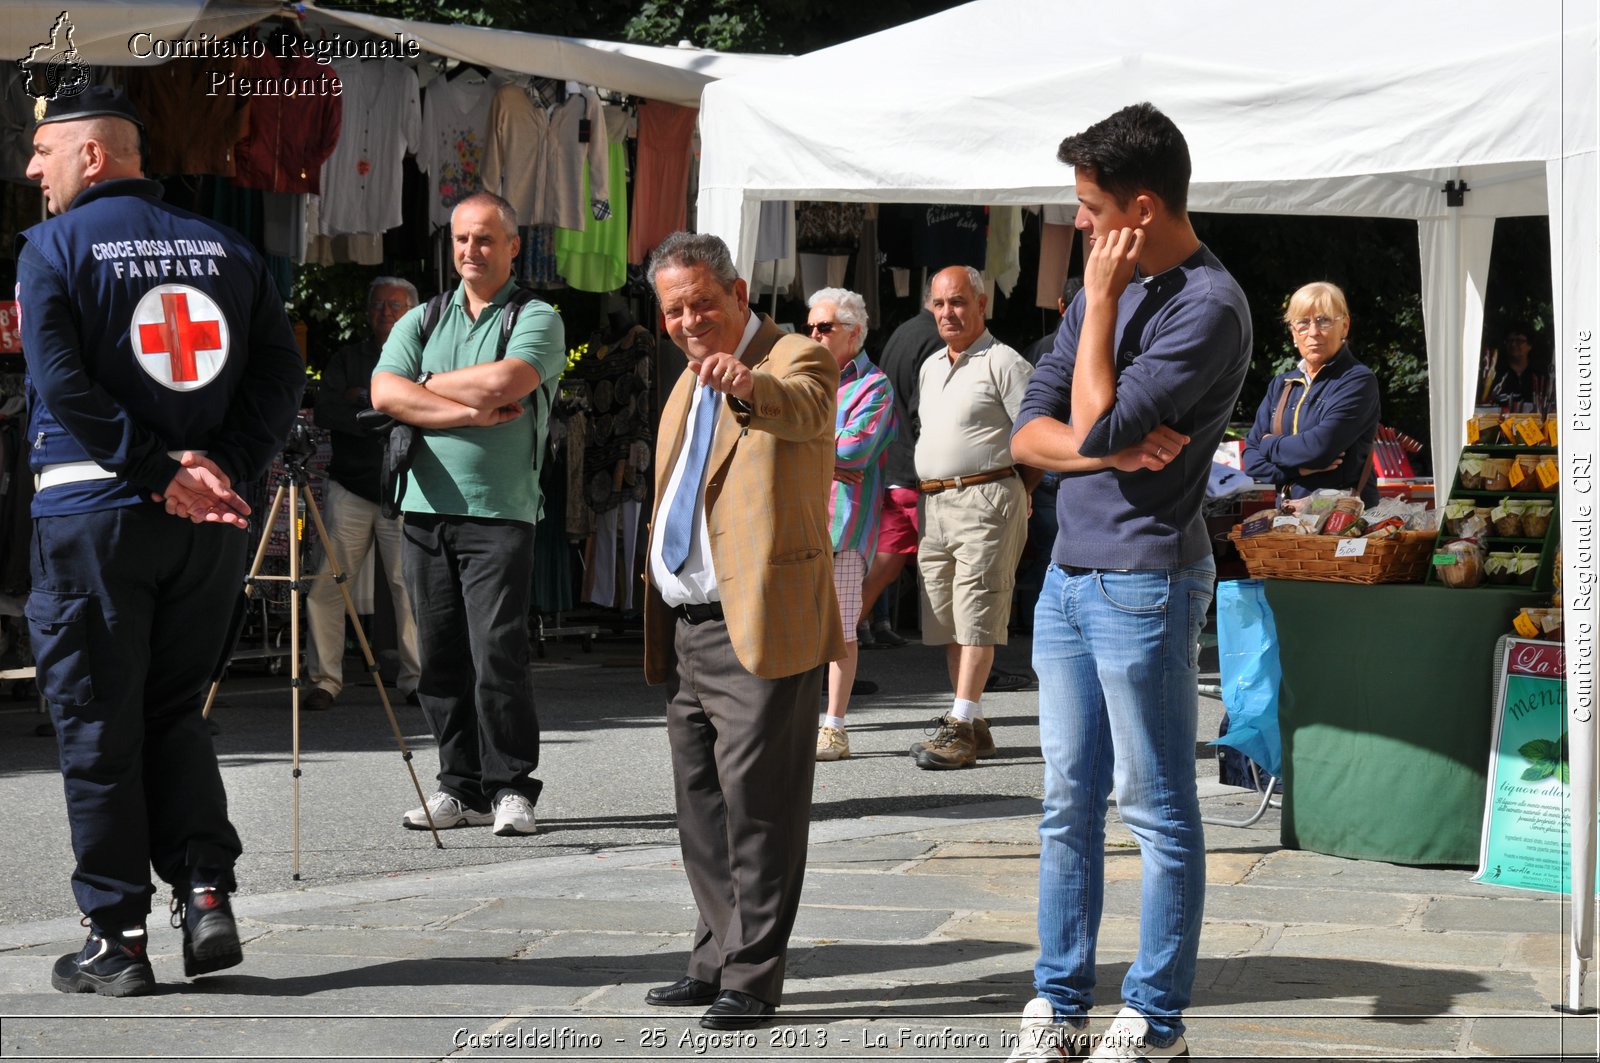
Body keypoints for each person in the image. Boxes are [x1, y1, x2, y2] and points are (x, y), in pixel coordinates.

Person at [18, 87, 305, 996]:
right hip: (209, 526)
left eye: (42, 151)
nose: (31, 169)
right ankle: (208, 892)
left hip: (95, 515)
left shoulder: (52, 248)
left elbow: (60, 380)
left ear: (93, 155)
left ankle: (119, 938)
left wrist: (154, 468)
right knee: (175, 709)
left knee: (98, 725)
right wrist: (223, 468)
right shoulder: (231, 248)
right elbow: (281, 374)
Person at [1007, 101, 1252, 1062]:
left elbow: (1093, 421)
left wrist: (1100, 308)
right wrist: (1101, 455)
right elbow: (1031, 429)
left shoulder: (1208, 306)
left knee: (1154, 807)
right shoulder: (1102, 289)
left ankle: (1155, 1018)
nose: (1078, 229)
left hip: (1146, 580)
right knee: (1066, 799)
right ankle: (1059, 1002)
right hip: (1069, 577)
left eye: (1088, 208)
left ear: (1139, 209)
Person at [640, 232, 841, 1030]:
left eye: (702, 303)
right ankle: (715, 956)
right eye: (675, 309)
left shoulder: (795, 355)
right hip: (688, 626)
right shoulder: (685, 379)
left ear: (737, 294)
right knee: (701, 807)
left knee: (760, 807)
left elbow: (806, 408)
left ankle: (753, 976)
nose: (691, 320)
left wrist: (747, 382)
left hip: (759, 622)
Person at [370, 191, 566, 839]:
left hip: (500, 511)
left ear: (513, 245)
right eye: (460, 239)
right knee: (438, 656)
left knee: (497, 651)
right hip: (423, 509)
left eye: (485, 239)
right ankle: (459, 785)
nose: (470, 251)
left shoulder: (536, 317)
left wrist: (425, 388)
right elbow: (381, 391)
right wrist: (463, 410)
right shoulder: (423, 318)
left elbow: (504, 384)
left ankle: (511, 786)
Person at [910, 265, 1039, 771]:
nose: (948, 312)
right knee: (947, 621)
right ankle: (973, 721)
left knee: (977, 614)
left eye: (958, 302)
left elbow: (1035, 438)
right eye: (939, 303)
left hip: (986, 497)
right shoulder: (930, 365)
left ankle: (960, 726)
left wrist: (1016, 493)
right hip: (936, 504)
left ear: (982, 305)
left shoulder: (1004, 362)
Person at [302, 277, 424, 712]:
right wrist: (386, 408)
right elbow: (325, 411)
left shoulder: (423, 354)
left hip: (406, 487)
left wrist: (364, 401)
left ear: (411, 310)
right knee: (327, 585)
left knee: (409, 586)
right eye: (377, 305)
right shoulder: (347, 357)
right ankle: (324, 681)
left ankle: (417, 681)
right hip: (350, 486)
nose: (385, 312)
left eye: (394, 305)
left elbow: (426, 409)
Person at [809, 287, 897, 762]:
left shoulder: (875, 385)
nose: (814, 334)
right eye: (812, 326)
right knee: (798, 628)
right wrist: (830, 450)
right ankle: (799, 718)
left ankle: (835, 726)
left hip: (843, 527)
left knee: (842, 627)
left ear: (855, 332)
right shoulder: (802, 377)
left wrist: (810, 447)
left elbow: (855, 452)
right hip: (800, 520)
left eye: (825, 326)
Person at [1242, 281, 1381, 507]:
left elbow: (1319, 449)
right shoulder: (1282, 384)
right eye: (1303, 323)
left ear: (1344, 326)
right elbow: (1250, 461)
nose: (1313, 332)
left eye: (1324, 320)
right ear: (1293, 332)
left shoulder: (1357, 380)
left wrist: (1268, 444)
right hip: (1290, 519)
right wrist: (1300, 468)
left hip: (1342, 522)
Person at [856, 306, 942, 649]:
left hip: (894, 471)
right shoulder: (935, 339)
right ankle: (978, 666)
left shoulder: (902, 333)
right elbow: (925, 409)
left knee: (881, 572)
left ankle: (828, 655)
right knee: (955, 573)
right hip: (920, 476)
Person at [1491, 328, 1551, 412]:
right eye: (1510, 341)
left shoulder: (1539, 375)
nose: (1513, 344)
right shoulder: (1497, 374)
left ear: (1530, 345)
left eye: (1519, 341)